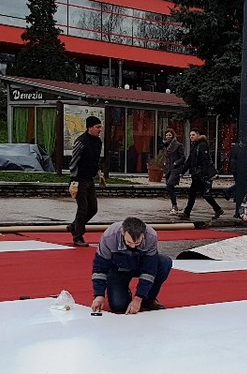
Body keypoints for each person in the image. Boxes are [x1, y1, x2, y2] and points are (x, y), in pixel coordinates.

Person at [90, 217, 172, 314]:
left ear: (143, 235)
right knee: (118, 306)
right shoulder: (109, 237)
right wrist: (99, 295)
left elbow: (149, 270)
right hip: (118, 268)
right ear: (123, 232)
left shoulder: (151, 236)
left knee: (164, 262)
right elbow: (100, 267)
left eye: (137, 243)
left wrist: (139, 298)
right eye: (129, 242)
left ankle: (148, 299)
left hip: (140, 265)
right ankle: (125, 293)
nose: (133, 246)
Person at [68, 115, 104, 246]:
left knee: (93, 208)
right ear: (89, 128)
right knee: (83, 208)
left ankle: (74, 226)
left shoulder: (98, 142)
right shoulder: (81, 141)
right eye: (97, 127)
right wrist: (73, 180)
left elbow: (95, 160)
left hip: (90, 179)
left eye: (100, 127)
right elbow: (74, 161)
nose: (100, 129)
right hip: (79, 179)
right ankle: (78, 236)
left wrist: (99, 174)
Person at [181, 128, 224, 221]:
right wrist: (182, 171)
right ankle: (217, 209)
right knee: (203, 193)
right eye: (190, 135)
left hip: (200, 174)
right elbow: (189, 161)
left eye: (193, 135)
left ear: (198, 135)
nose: (191, 137)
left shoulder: (202, 145)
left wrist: (204, 175)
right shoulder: (195, 145)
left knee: (193, 193)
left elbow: (205, 160)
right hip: (196, 174)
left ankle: (186, 213)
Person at [162, 129, 186, 215]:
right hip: (168, 168)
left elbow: (183, 157)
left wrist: (176, 162)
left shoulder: (178, 145)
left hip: (175, 168)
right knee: (169, 187)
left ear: (173, 135)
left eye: (169, 135)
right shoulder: (166, 146)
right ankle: (174, 206)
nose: (168, 137)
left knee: (170, 185)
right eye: (167, 135)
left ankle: (174, 206)